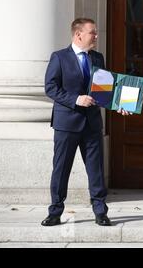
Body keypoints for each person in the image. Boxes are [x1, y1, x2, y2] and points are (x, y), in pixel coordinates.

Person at [41, 18, 130, 227]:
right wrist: (75, 99)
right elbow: (50, 87)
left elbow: (104, 90)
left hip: (91, 124)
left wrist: (118, 104)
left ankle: (100, 212)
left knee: (96, 169)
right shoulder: (59, 58)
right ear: (78, 34)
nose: (96, 36)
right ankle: (55, 212)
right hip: (66, 124)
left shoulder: (98, 58)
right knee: (61, 169)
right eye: (93, 33)